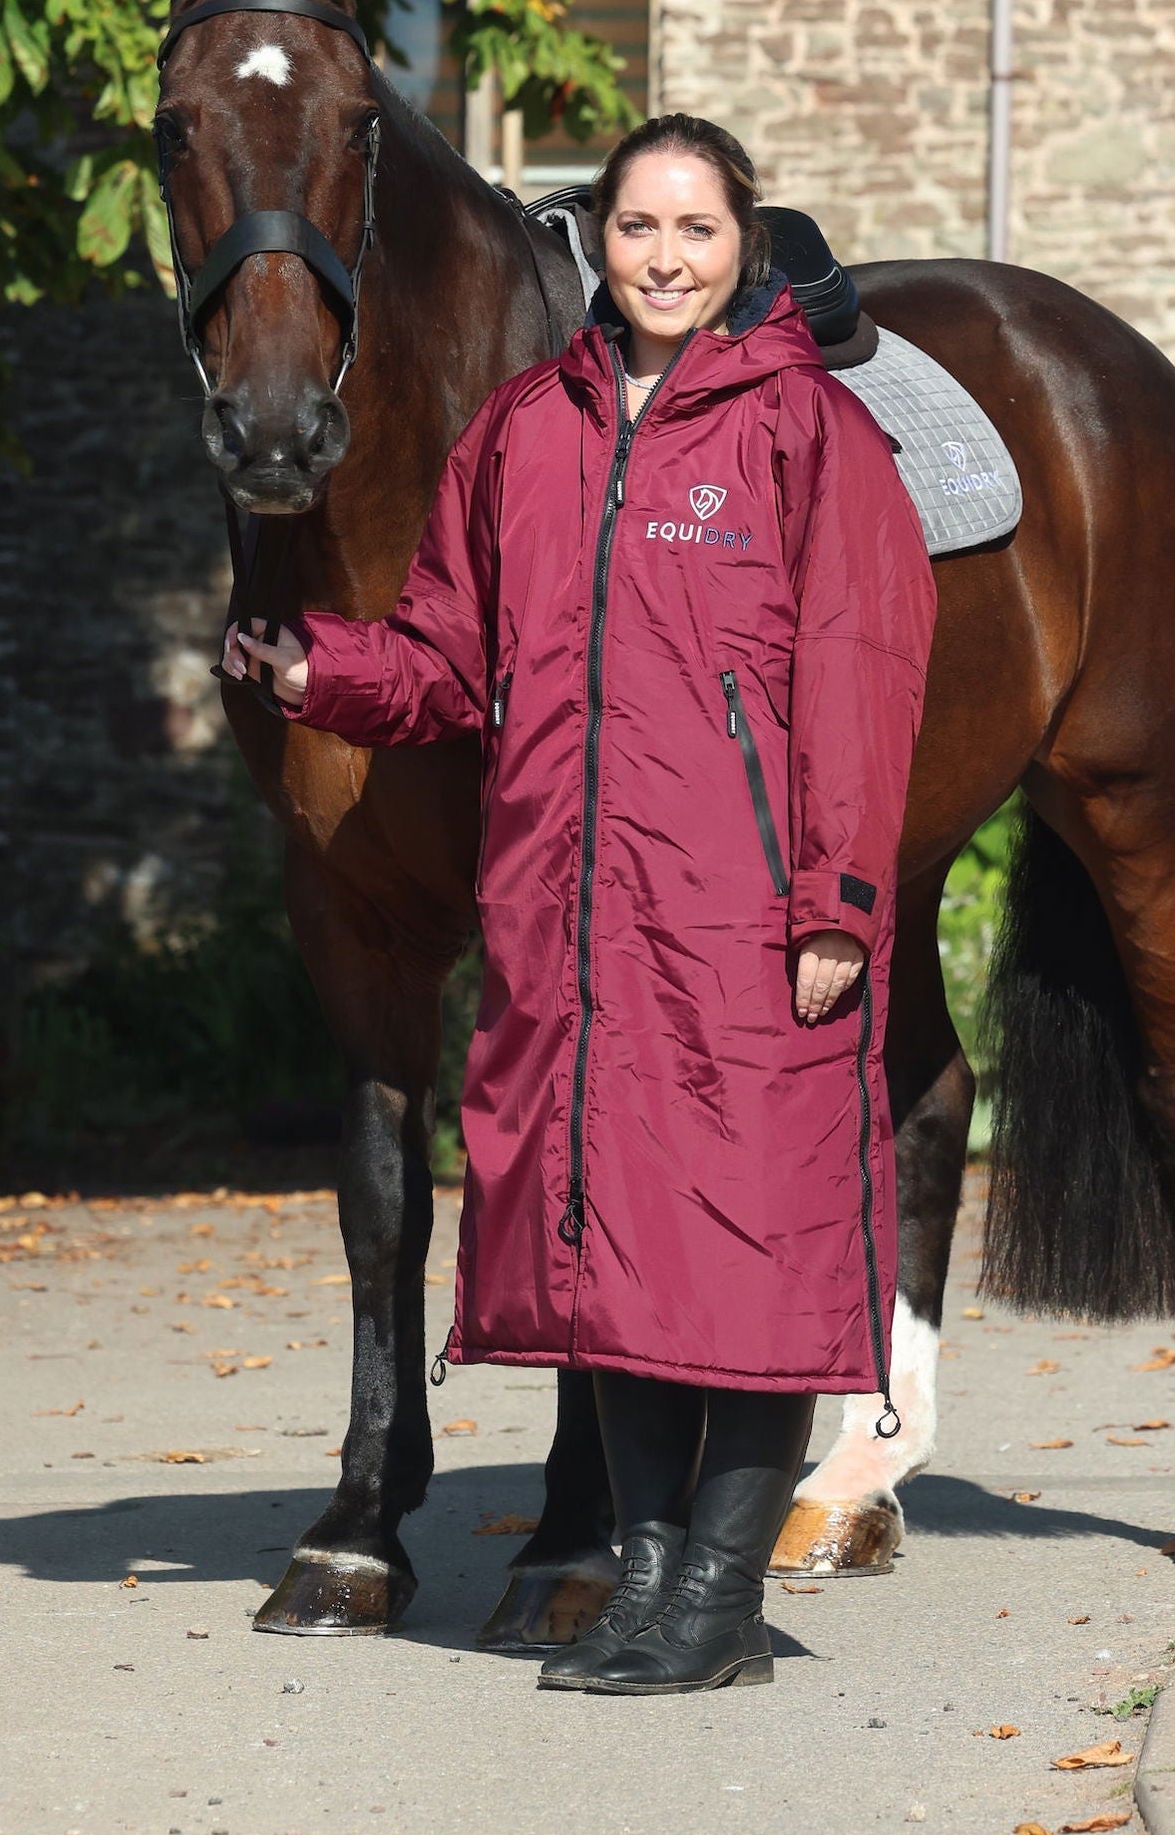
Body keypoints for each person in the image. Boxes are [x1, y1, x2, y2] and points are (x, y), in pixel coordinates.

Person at [225, 114, 937, 1695]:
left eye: (696, 230)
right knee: (606, 1254)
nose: (667, 258)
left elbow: (865, 681)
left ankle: (717, 1592)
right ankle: (659, 1580)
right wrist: (315, 667)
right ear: (597, 242)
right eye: (638, 229)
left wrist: (841, 900)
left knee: (746, 1254)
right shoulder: (525, 432)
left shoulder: (808, 434)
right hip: (569, 917)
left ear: (741, 242)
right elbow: (446, 659)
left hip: (743, 912)